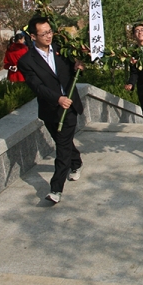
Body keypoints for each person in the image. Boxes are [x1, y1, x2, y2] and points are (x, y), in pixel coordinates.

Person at [18, 16, 85, 205]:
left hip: (69, 105)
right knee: (62, 141)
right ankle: (76, 162)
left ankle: (56, 189)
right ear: (33, 36)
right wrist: (57, 98)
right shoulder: (27, 61)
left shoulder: (61, 50)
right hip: (51, 109)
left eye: (50, 31)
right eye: (43, 33)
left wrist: (78, 65)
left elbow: (71, 71)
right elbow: (37, 86)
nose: (48, 36)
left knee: (62, 146)